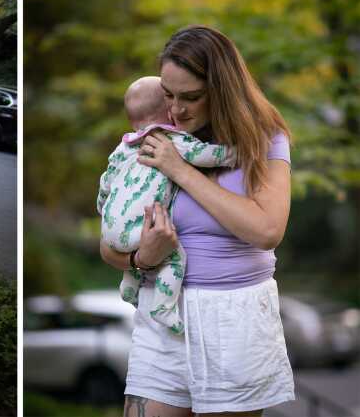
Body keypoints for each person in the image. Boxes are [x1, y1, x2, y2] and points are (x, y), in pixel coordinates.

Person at [100, 25, 294, 417]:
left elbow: (268, 230)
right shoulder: (154, 138)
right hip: (162, 311)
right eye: (168, 95)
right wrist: (143, 259)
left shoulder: (261, 138)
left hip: (234, 318)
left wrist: (182, 170)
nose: (176, 109)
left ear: (222, 91)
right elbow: (109, 242)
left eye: (191, 97)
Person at [97, 75, 235, 335]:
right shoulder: (169, 138)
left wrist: (103, 210)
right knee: (174, 257)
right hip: (141, 227)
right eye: (171, 99)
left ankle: (129, 285)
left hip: (112, 226)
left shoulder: (122, 148)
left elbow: (105, 182)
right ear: (168, 113)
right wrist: (234, 153)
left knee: (142, 244)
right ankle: (163, 307)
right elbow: (204, 156)